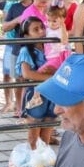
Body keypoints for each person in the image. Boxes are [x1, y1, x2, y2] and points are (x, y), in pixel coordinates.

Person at [16, 17, 57, 149]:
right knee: (34, 138)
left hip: (51, 96)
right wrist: (51, 77)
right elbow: (27, 74)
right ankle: (33, 165)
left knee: (46, 137)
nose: (41, 31)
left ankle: (42, 166)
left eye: (42, 27)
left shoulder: (51, 48)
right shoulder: (26, 51)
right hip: (36, 97)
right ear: (27, 36)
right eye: (36, 30)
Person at [1, 0, 34, 113]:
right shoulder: (14, 7)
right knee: (18, 79)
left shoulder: (37, 6)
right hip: (17, 48)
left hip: (33, 49)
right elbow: (4, 27)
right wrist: (16, 20)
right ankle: (19, 108)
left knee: (31, 79)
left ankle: (30, 109)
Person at [41, 5, 71, 72]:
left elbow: (64, 41)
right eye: (48, 20)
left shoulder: (61, 30)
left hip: (57, 57)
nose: (51, 23)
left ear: (63, 19)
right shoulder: (48, 29)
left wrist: (63, 26)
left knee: (40, 72)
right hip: (49, 57)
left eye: (54, 21)